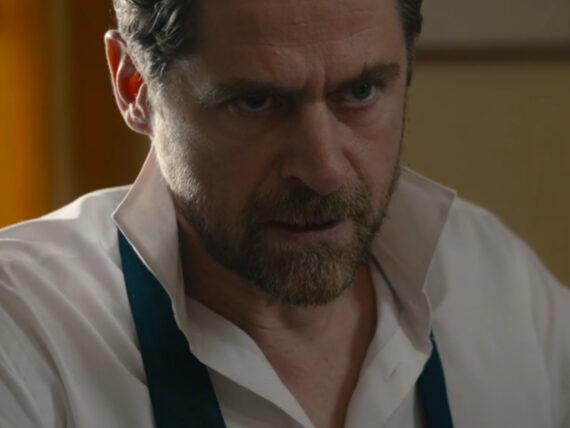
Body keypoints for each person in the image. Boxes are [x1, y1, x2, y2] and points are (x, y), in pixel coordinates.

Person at [1, 0, 568, 426]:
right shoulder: (26, 332)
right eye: (256, 102)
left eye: (361, 92)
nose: (323, 171)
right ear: (133, 85)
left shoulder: (496, 282)